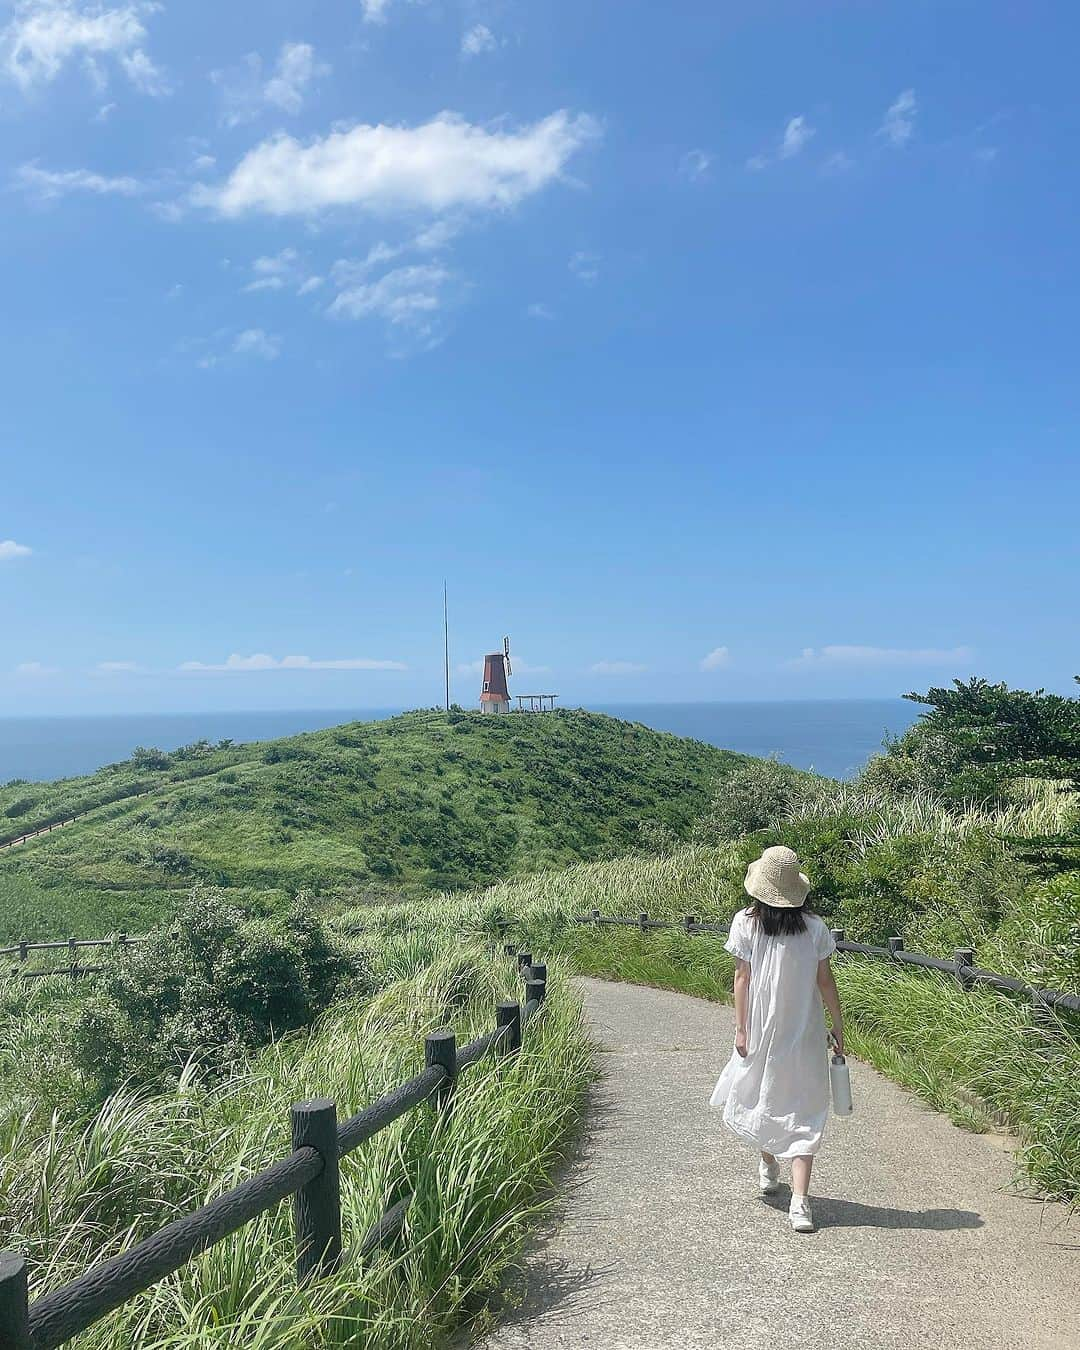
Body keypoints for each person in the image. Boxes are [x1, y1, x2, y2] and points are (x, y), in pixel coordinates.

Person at [709, 845, 844, 1233]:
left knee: (766, 1095)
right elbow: (825, 981)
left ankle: (778, 1174)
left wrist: (741, 1027)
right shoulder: (815, 928)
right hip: (804, 1029)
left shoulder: (744, 922)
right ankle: (797, 1201)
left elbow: (742, 978)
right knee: (803, 1106)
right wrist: (838, 1024)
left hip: (763, 1028)